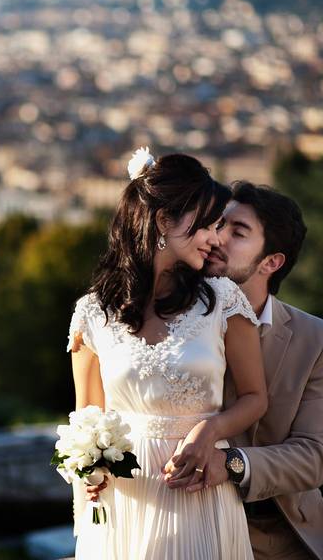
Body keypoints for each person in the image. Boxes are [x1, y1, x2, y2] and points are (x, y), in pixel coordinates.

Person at [67, 149, 267, 559]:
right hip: (123, 503)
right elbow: (87, 415)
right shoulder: (92, 313)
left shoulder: (224, 301)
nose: (216, 239)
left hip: (197, 494)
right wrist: (86, 470)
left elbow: (255, 398)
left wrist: (209, 432)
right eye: (208, 226)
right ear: (163, 221)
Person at [160, 181, 323, 559]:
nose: (217, 237)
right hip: (184, 525)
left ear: (271, 262)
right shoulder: (163, 316)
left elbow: (316, 455)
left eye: (238, 232)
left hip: (282, 534)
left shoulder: (316, 339)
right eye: (218, 224)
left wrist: (233, 465)